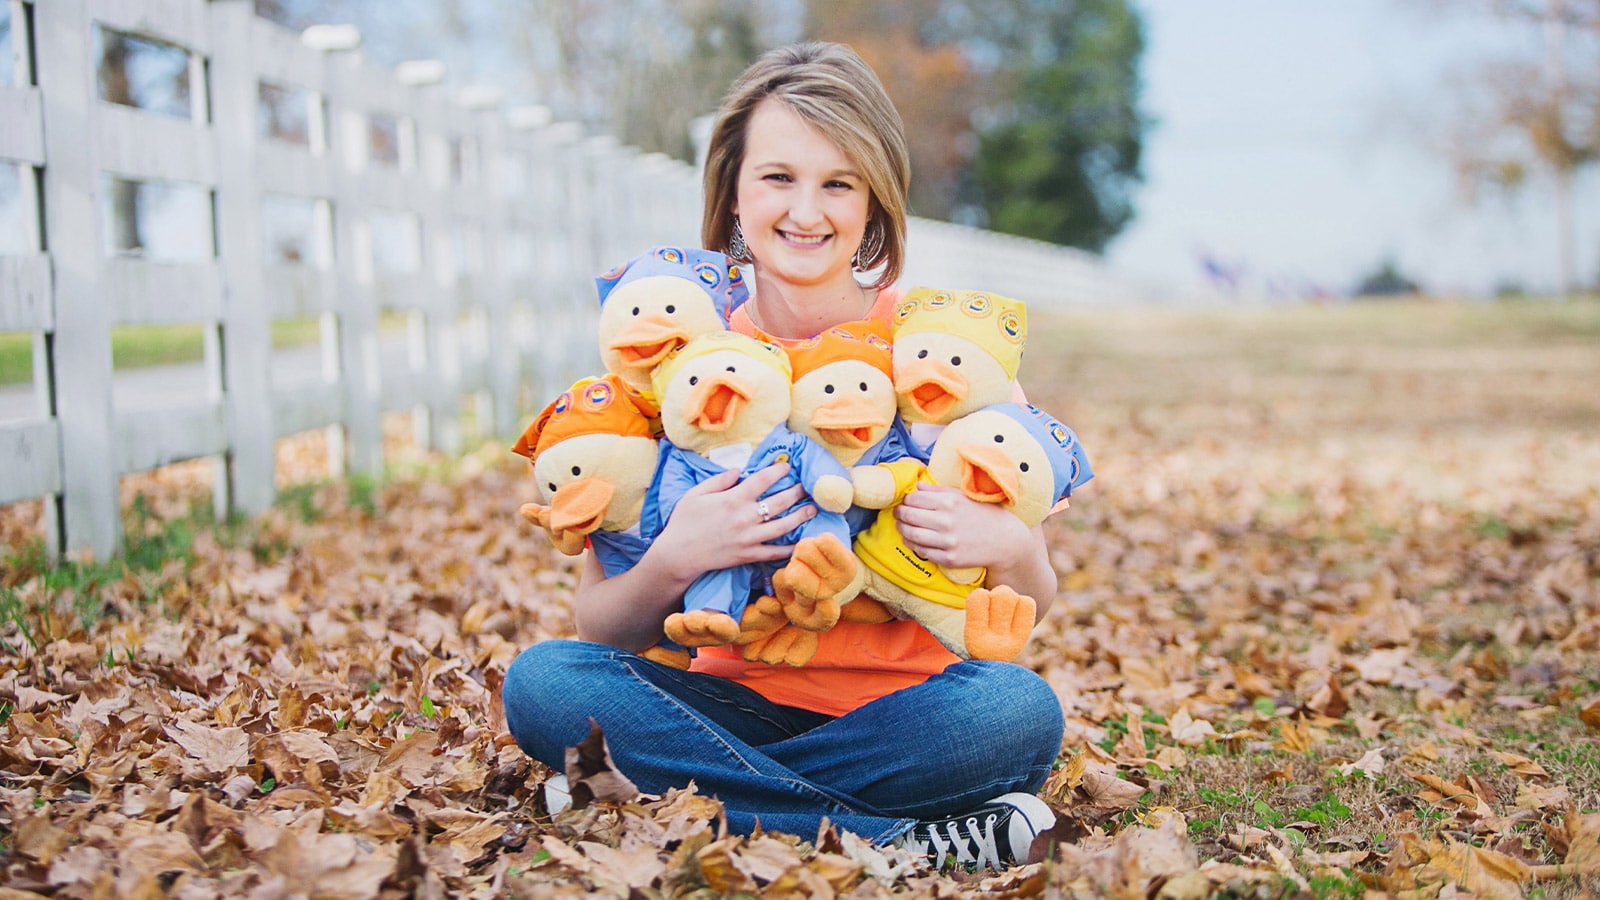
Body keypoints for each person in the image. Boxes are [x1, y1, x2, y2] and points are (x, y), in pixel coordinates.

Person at [501, 41, 1068, 870]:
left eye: (838, 182)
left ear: (875, 202)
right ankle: (897, 844)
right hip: (723, 709)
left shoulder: (938, 352)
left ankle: (666, 801)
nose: (808, 210)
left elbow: (1035, 596)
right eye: (778, 177)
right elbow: (601, 626)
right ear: (732, 188)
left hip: (913, 715)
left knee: (1018, 712)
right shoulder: (678, 358)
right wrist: (676, 559)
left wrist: (1011, 548)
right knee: (545, 683)